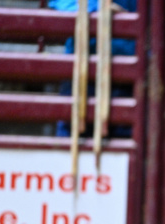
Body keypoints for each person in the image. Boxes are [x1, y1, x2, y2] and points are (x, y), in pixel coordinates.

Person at [48, 0, 137, 138]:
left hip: (131, 66)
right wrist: (96, 9)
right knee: (75, 137)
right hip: (83, 65)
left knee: (126, 144)